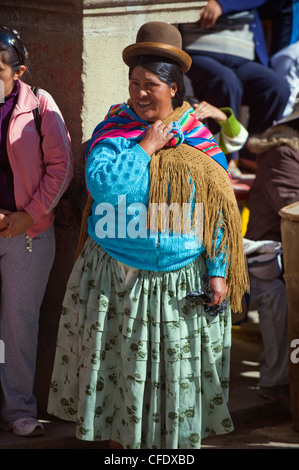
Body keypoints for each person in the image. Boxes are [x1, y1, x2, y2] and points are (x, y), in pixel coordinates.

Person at [47, 22, 249, 450]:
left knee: (174, 387)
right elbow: (104, 188)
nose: (139, 93)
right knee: (120, 381)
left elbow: (216, 214)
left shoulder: (199, 140)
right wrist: (145, 147)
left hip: (180, 282)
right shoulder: (116, 132)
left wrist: (218, 271)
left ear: (174, 88)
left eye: (151, 85)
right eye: (134, 83)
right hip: (119, 280)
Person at [0, 27, 73, 437]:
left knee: (17, 326)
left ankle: (18, 410)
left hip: (28, 235)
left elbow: (60, 168)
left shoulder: (41, 106)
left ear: (18, 71)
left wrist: (29, 214)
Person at [179, 0, 291, 171]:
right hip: (199, 52)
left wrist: (222, 4)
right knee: (226, 82)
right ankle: (223, 159)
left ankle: (252, 154)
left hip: (243, 56)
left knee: (277, 86)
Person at [244, 107, 299, 404]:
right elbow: (293, 207)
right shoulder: (283, 154)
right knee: (277, 292)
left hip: (290, 257)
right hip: (267, 257)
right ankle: (278, 379)